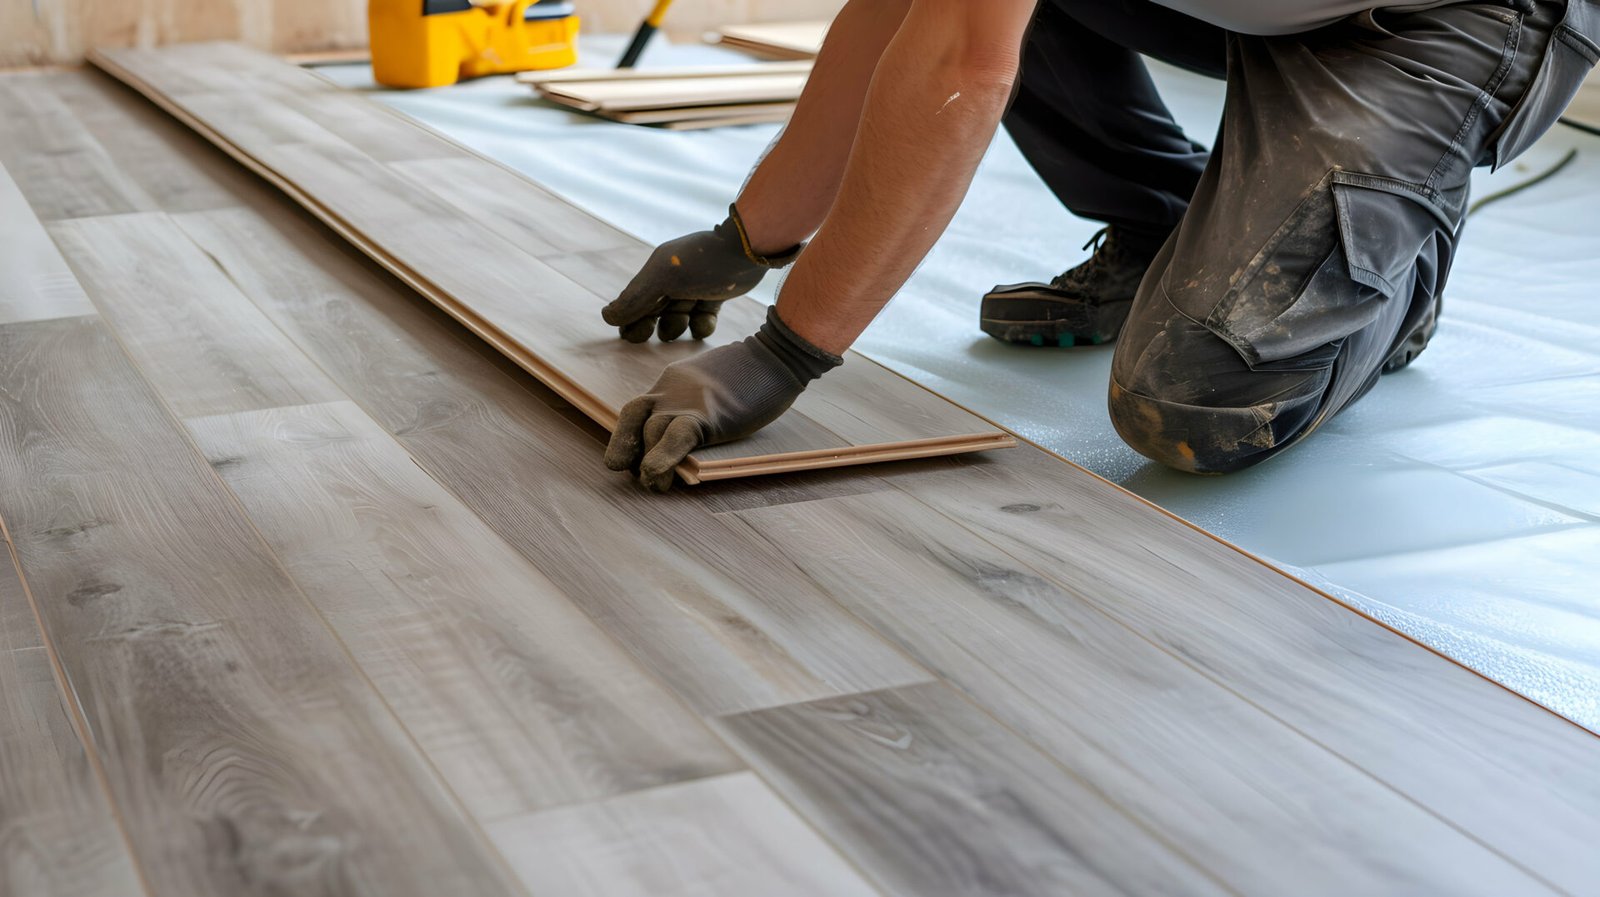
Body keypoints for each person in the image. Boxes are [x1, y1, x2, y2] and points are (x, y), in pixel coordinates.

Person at [599, 0, 1598, 491]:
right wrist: (745, 241)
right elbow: (904, 15)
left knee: (1194, 406)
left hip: (1445, 18)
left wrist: (786, 353)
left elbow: (960, 67)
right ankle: (1171, 225)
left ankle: (1388, 282)